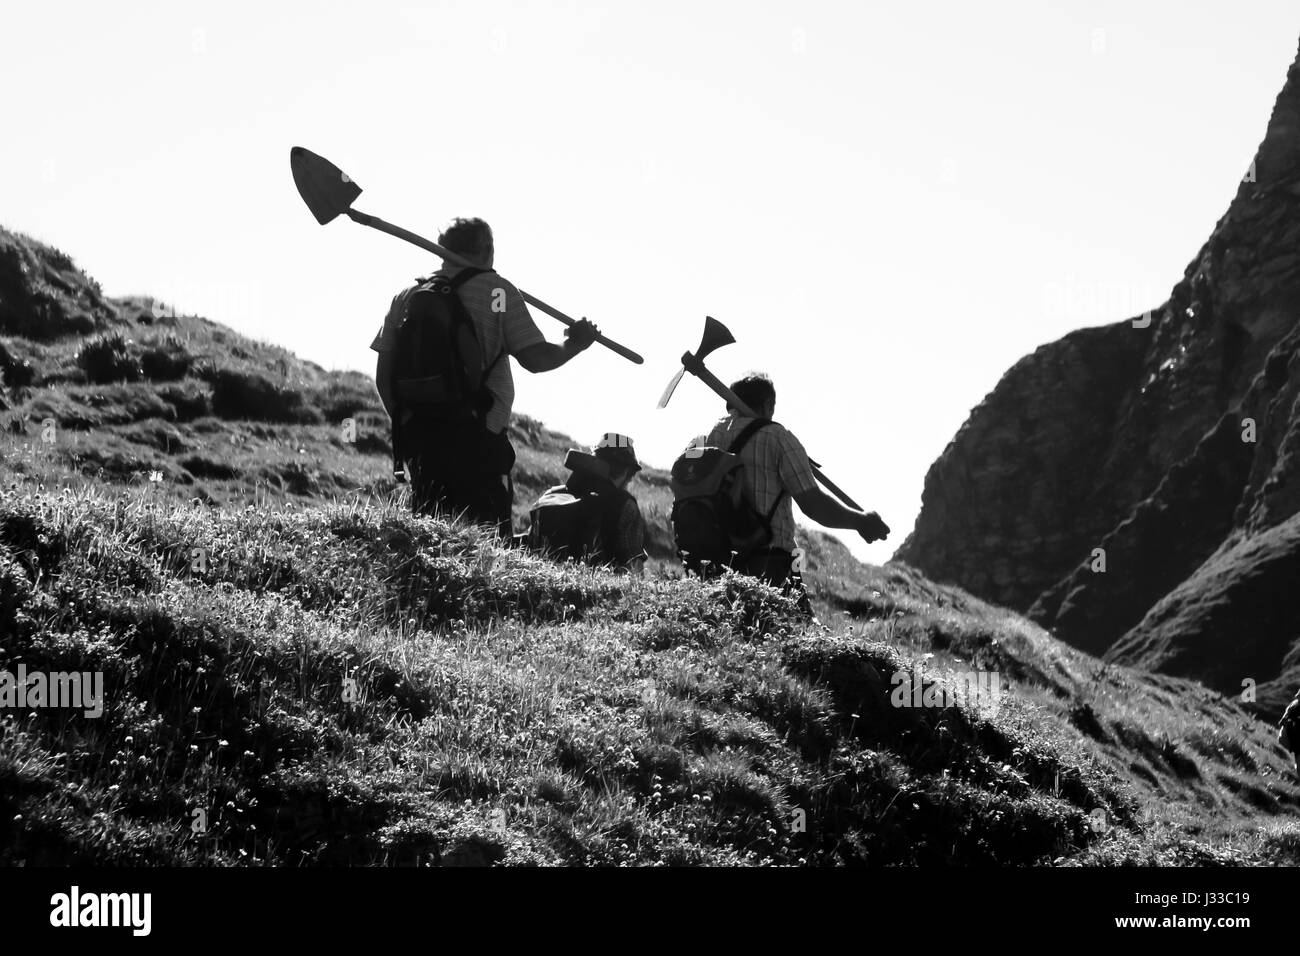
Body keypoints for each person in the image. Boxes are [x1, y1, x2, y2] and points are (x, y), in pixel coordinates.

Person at [371, 217, 599, 535]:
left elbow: (384, 377)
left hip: (422, 442)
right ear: (488, 250)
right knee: (487, 544)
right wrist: (575, 344)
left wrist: (407, 427)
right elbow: (536, 359)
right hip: (479, 441)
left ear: (442, 251)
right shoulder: (498, 292)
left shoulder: (408, 296)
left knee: (428, 538)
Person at [703, 372, 890, 590]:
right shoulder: (778, 438)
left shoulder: (712, 437)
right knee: (788, 622)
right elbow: (814, 505)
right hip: (770, 561)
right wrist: (861, 521)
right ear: (767, 405)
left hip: (717, 559)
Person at [526, 433, 648, 574]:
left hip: (542, 578)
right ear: (626, 471)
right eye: (631, 474)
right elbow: (633, 566)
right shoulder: (624, 505)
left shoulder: (553, 494)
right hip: (597, 589)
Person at [1280, 687, 1300, 777]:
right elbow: (1283, 721)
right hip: (1296, 739)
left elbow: (1282, 721)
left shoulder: (1293, 706)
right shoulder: (1293, 707)